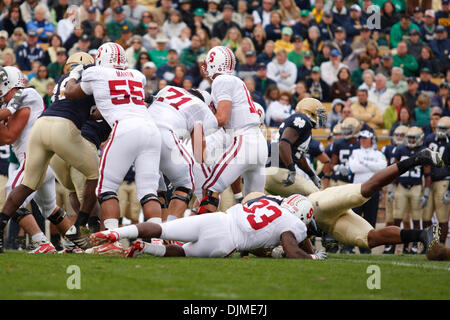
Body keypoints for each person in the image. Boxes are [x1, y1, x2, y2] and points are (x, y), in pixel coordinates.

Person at [64, 43, 162, 255]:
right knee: (148, 191)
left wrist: (74, 74)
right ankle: (157, 240)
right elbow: (120, 101)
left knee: (106, 188)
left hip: (125, 128)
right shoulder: (137, 75)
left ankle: (111, 240)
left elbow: (70, 93)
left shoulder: (96, 73)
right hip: (151, 130)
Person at [255, 145, 443, 256]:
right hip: (327, 224)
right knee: (370, 239)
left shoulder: (263, 206)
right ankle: (421, 235)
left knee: (365, 190)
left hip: (317, 205)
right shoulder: (260, 224)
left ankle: (418, 158)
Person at [91, 192, 323, 260]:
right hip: (226, 243)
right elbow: (293, 251)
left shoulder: (267, 201)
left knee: (161, 229)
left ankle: (112, 232)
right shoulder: (294, 223)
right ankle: (146, 249)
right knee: (183, 252)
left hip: (218, 219)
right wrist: (313, 258)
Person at [0, 66, 68, 254]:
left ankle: (41, 242)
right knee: (49, 208)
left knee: (13, 194)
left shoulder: (27, 94)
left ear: (10, 82)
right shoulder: (8, 105)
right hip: (40, 160)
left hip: (35, 158)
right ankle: (76, 244)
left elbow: (8, 136)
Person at [197, 46, 268, 214]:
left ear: (214, 63)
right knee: (256, 203)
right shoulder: (235, 81)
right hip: (259, 142)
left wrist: (196, 127)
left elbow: (222, 119)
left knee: (209, 189)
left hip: (244, 140)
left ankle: (203, 237)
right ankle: (263, 239)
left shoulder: (221, 81)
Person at [148, 86, 218, 222]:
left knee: (156, 188)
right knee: (184, 184)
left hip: (139, 131)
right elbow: (199, 155)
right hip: (164, 134)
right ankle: (170, 230)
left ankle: (154, 235)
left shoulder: (169, 88)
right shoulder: (201, 109)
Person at [264, 98, 328, 198]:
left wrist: (312, 175)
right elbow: (283, 144)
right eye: (318, 113)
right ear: (309, 111)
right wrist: (292, 170)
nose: (320, 116)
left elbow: (299, 156)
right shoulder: (302, 119)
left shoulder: (305, 126)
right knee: (318, 197)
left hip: (271, 171)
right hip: (279, 170)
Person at [348, 130, 387, 254]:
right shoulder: (355, 152)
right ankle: (350, 247)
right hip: (357, 190)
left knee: (370, 220)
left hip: (373, 191)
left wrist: (363, 163)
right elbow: (353, 167)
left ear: (372, 139)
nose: (363, 140)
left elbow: (382, 167)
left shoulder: (378, 153)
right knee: (353, 218)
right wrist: (372, 166)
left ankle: (366, 247)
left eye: (365, 138)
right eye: (361, 138)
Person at [392, 126, 427, 254]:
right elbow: (393, 170)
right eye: (410, 137)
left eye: (414, 138)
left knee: (416, 218)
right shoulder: (400, 149)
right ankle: (393, 245)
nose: (411, 140)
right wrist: (391, 187)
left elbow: (427, 173)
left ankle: (414, 246)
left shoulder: (424, 151)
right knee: (397, 217)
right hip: (401, 186)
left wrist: (427, 191)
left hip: (416, 187)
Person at [422, 116, 450, 245]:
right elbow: (423, 160)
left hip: (444, 181)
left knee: (442, 216)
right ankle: (431, 244)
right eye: (439, 128)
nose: (440, 131)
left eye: (444, 129)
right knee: (426, 216)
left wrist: (449, 190)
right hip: (429, 180)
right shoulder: (429, 139)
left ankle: (441, 245)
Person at [381, 125, 409, 254]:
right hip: (390, 184)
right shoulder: (388, 148)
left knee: (405, 217)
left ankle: (407, 245)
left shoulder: (409, 150)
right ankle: (389, 244)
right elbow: (383, 166)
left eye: (401, 136)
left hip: (404, 184)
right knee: (389, 217)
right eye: (397, 135)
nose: (398, 138)